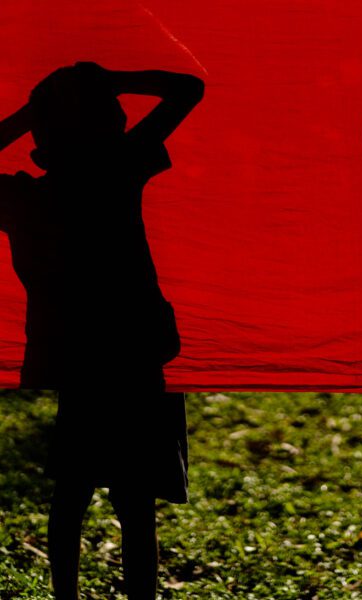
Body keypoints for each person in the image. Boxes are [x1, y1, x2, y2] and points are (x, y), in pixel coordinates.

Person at [0, 61, 204, 599]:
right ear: (113, 127)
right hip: (135, 352)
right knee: (135, 501)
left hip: (72, 357)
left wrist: (27, 114)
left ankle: (64, 594)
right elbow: (188, 89)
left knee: (71, 492)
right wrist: (112, 78)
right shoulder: (117, 167)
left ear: (41, 148)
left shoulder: (26, 199)